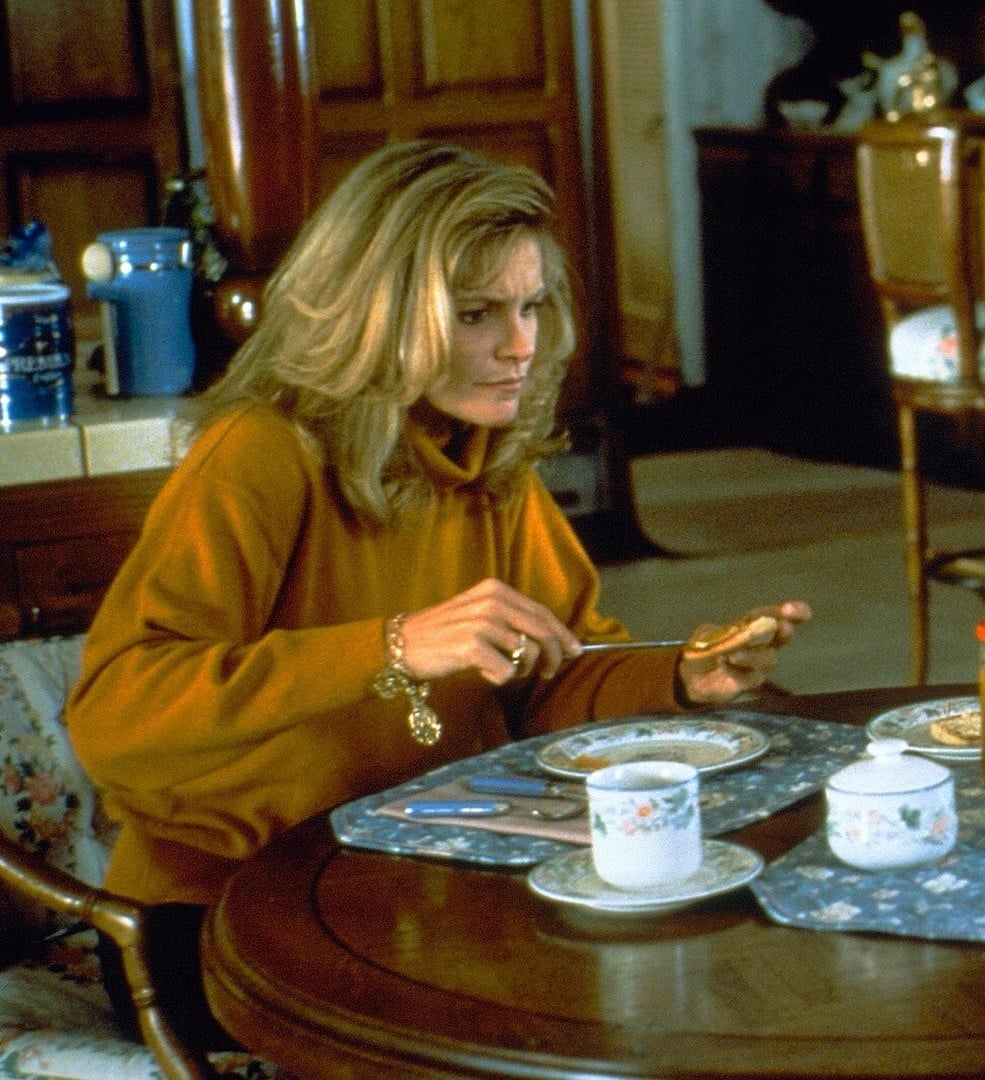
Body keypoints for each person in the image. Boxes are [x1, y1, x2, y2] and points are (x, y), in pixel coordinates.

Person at [66, 140, 809, 1038]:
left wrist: (681, 678)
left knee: (701, 970)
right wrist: (393, 647)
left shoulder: (487, 458)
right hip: (220, 915)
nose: (521, 345)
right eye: (475, 314)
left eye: (531, 306)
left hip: (408, 883)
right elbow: (113, 716)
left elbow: (552, 677)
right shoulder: (258, 455)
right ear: (376, 316)